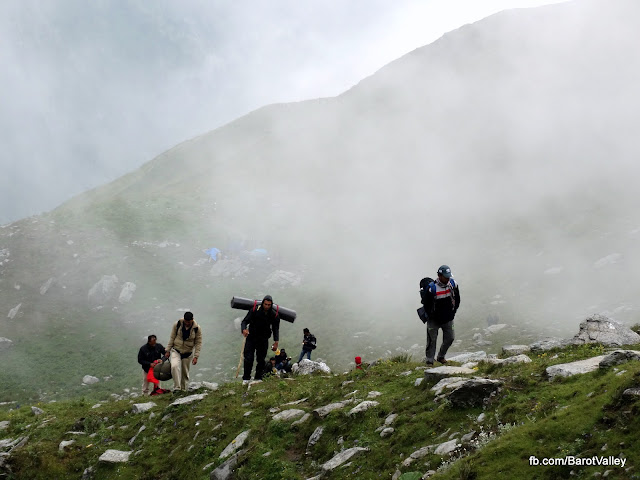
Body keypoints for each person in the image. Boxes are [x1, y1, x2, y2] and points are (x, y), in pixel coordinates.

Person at [420, 265, 461, 366]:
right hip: (433, 320)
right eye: (446, 276)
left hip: (448, 318)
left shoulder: (453, 284)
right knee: (432, 340)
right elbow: (426, 304)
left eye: (449, 276)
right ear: (439, 275)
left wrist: (453, 312)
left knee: (450, 338)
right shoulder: (431, 289)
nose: (448, 279)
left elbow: (457, 299)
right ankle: (429, 361)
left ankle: (441, 356)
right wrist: (431, 315)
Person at [241, 295, 281, 385]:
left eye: (269, 305)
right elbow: (245, 321)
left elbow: (275, 329)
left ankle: (258, 378)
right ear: (263, 303)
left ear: (271, 305)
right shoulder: (254, 310)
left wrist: (276, 342)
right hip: (251, 337)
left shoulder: (274, 315)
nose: (267, 306)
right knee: (248, 358)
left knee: (261, 359)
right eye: (265, 304)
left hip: (263, 339)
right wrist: (244, 329)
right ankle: (246, 379)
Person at [164, 311, 203, 392]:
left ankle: (184, 390)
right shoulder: (177, 324)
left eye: (188, 321)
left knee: (185, 373)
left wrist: (196, 356)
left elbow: (198, 343)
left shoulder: (197, 328)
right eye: (185, 321)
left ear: (192, 319)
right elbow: (172, 337)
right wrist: (167, 350)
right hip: (176, 350)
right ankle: (177, 388)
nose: (187, 323)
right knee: (174, 366)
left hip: (188, 353)